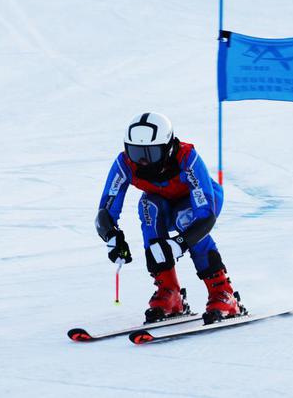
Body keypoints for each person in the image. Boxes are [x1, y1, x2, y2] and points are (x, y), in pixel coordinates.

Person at [94, 112, 244, 324]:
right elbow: (105, 210)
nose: (144, 162)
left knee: (186, 218)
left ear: (168, 147)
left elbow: (205, 215)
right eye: (136, 153)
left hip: (200, 202)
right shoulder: (125, 163)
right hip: (164, 205)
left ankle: (223, 292)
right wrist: (112, 236)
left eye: (152, 153)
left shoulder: (187, 157)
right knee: (148, 206)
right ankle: (169, 291)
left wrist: (179, 243)